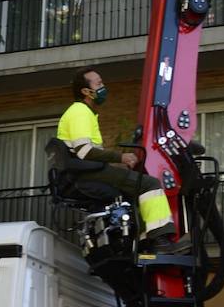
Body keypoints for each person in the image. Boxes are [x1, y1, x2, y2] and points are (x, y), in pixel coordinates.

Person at [53, 68, 179, 249]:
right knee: (149, 184)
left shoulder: (82, 112)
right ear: (86, 91)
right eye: (98, 84)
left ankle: (144, 240)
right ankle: (161, 240)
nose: (103, 87)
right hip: (88, 174)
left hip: (86, 173)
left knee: (133, 191)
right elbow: (84, 152)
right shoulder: (80, 112)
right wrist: (121, 157)